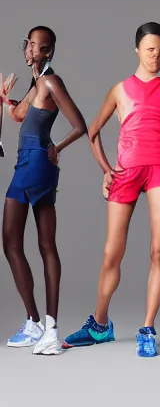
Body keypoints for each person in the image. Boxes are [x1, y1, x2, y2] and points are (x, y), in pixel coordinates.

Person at [63, 22, 160, 357]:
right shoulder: (120, 89)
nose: (156, 56)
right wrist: (107, 170)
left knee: (159, 250)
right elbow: (92, 131)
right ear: (137, 50)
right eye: (150, 50)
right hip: (127, 172)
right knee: (111, 253)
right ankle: (100, 325)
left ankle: (147, 326)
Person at [1, 26, 87, 355]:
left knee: (11, 240)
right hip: (34, 164)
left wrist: (58, 147)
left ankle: (40, 324)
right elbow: (18, 116)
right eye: (28, 44)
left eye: (37, 47)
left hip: (36, 164)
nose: (30, 50)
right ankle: (46, 328)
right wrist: (4, 98)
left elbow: (79, 124)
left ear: (47, 53)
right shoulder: (38, 82)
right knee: (44, 244)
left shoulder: (51, 82)